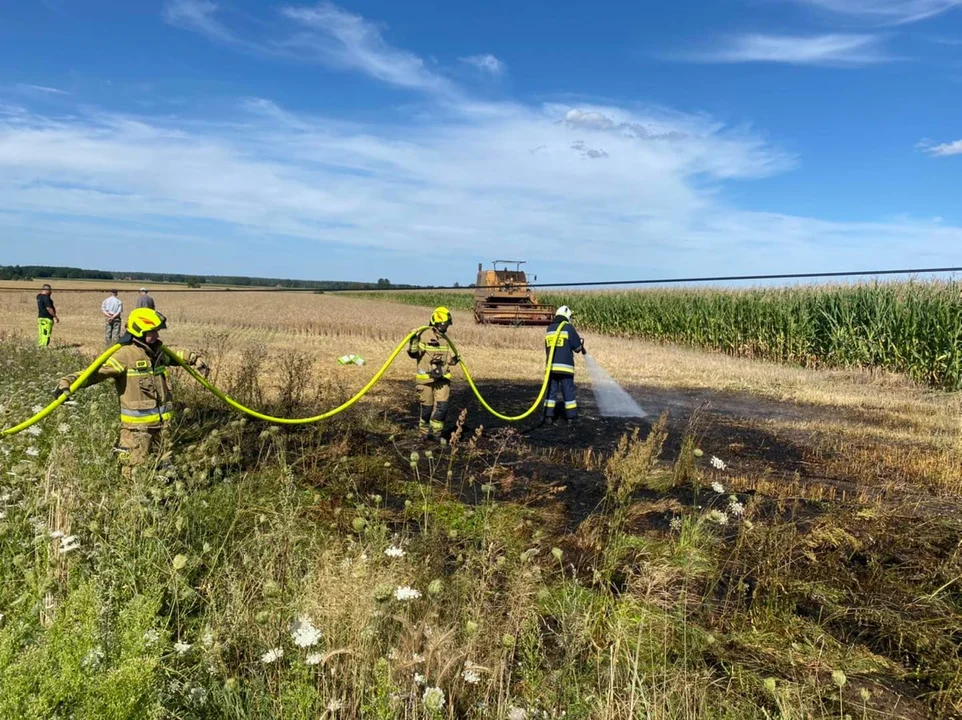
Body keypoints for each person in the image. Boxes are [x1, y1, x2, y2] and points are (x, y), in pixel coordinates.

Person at [53, 308, 209, 477]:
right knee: (133, 470)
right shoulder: (125, 355)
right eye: (152, 331)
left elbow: (176, 356)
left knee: (164, 468)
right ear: (139, 331)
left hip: (163, 428)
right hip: (136, 431)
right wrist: (68, 382)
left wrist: (194, 358)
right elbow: (95, 372)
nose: (157, 335)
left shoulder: (157, 353)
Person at [407, 307, 460, 441]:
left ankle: (437, 434)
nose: (445, 327)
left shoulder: (444, 340)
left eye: (447, 325)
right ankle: (423, 434)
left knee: (442, 408)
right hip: (426, 380)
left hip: (442, 379)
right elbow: (414, 354)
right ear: (435, 322)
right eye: (443, 324)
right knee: (426, 409)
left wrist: (453, 360)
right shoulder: (423, 335)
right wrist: (413, 339)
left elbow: (447, 359)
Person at [543, 305, 585, 425]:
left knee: (551, 391)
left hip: (551, 367)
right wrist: (581, 344)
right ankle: (571, 418)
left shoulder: (549, 328)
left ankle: (548, 416)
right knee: (568, 392)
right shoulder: (568, 328)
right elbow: (577, 348)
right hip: (565, 368)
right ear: (567, 316)